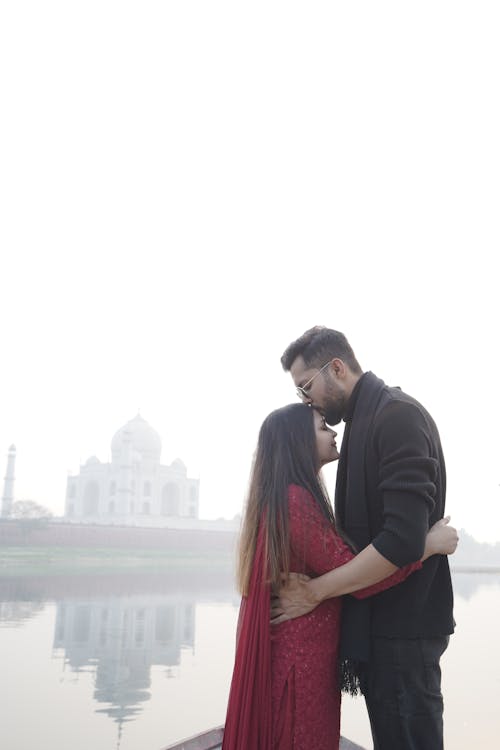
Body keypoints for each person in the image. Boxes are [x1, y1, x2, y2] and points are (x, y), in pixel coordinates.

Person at [222, 402, 457, 750]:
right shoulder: (294, 502)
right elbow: (361, 577)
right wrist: (427, 545)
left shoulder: (285, 499)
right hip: (300, 669)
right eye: (322, 427)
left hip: (299, 660)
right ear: (298, 441)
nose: (334, 432)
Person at [274, 326, 455, 750]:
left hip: (405, 632)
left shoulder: (395, 416)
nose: (305, 401)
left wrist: (315, 592)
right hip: (383, 629)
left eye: (306, 387)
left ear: (336, 368)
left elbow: (401, 542)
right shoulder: (363, 420)